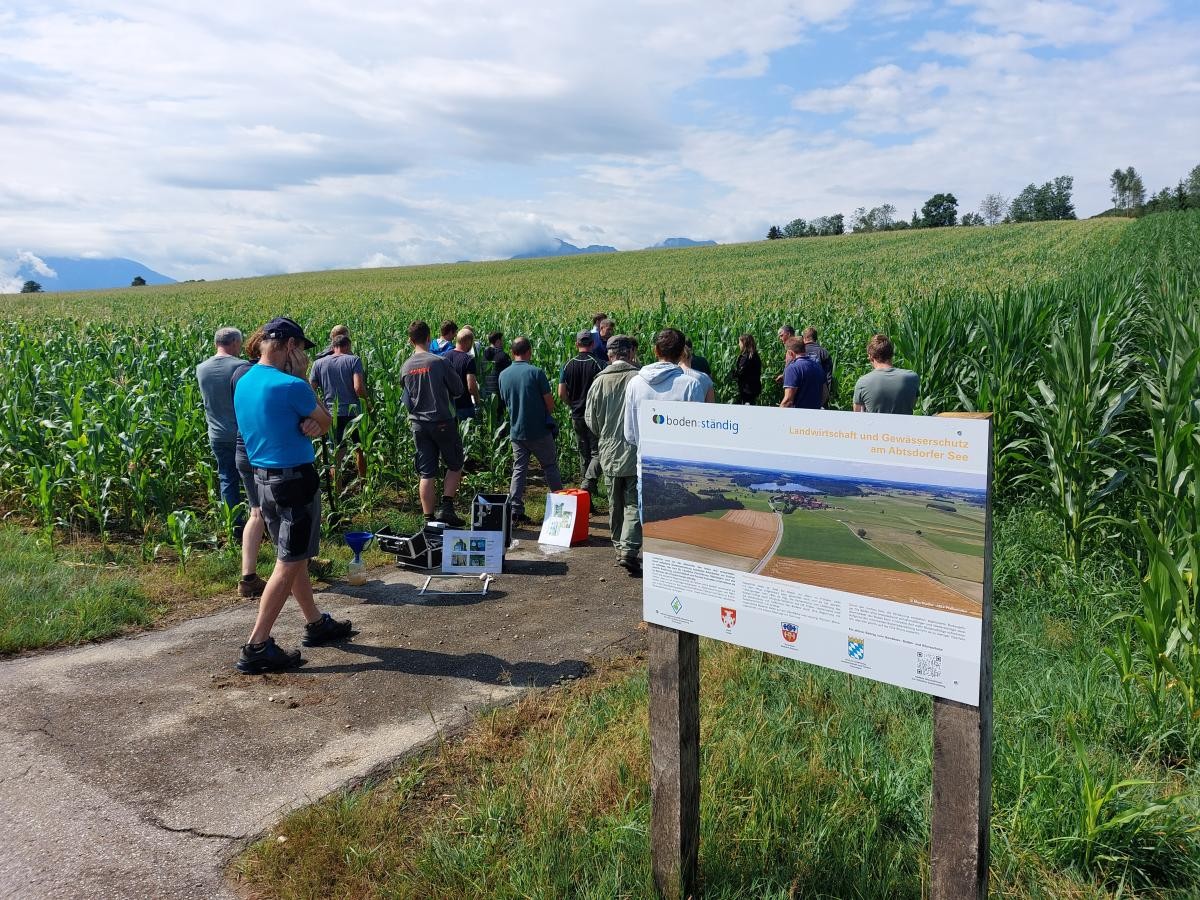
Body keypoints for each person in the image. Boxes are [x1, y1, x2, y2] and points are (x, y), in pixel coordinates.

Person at [232, 316, 352, 673]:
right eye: (299, 349)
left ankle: (315, 623)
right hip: (294, 481)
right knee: (286, 564)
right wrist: (303, 385)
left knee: (293, 554)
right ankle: (257, 645)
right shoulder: (291, 385)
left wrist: (309, 424)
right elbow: (326, 421)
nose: (301, 356)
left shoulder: (245, 379)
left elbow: (302, 422)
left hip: (262, 481)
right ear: (288, 346)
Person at [584, 336, 643, 577]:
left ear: (609, 355)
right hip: (633, 449)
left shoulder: (599, 382)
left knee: (613, 501)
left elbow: (591, 420)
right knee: (632, 500)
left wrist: (606, 433)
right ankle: (628, 549)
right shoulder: (638, 379)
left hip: (608, 450)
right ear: (630, 353)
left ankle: (620, 546)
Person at [400, 321, 466, 525]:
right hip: (442, 421)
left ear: (411, 341)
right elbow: (458, 389)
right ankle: (447, 508)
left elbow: (406, 400)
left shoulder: (405, 367)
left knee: (426, 472)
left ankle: (428, 520)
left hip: (418, 425)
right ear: (429, 338)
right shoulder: (439, 362)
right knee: (455, 464)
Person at [499, 336, 563, 525]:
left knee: (519, 469)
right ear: (529, 351)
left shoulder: (503, 375)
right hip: (539, 431)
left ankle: (516, 510)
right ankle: (561, 505)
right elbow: (550, 404)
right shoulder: (536, 372)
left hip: (516, 431)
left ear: (512, 352)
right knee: (550, 466)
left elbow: (505, 401)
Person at [196, 327, 248, 528]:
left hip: (216, 434)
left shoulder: (201, 368)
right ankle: (259, 523)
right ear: (235, 342)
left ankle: (234, 526)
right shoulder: (242, 367)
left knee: (227, 478)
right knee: (253, 479)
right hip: (241, 433)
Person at [231, 330, 268, 599]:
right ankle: (294, 567)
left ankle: (248, 577)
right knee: (283, 514)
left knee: (256, 512)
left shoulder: (238, 375)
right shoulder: (266, 377)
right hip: (266, 453)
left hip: (242, 448)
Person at [623, 328, 707, 446]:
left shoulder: (635, 383)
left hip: (645, 460)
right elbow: (697, 433)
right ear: (682, 353)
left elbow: (629, 434)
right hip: (680, 459)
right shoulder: (691, 385)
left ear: (656, 351)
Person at [309, 331, 367, 483]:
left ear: (333, 346)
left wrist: (320, 409)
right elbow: (358, 387)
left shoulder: (318, 363)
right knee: (360, 449)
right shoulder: (354, 360)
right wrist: (367, 403)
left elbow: (310, 390)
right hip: (354, 413)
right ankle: (364, 485)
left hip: (331, 414)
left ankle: (337, 492)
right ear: (347, 345)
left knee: (336, 453)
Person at [559, 331, 605, 497]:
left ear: (577, 344)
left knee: (584, 455)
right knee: (598, 453)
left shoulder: (567, 365)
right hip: (595, 416)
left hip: (577, 414)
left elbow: (561, 393)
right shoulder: (600, 364)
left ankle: (587, 497)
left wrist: (572, 404)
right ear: (592, 344)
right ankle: (587, 484)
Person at [853, 334, 920, 415]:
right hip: (904, 427)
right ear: (891, 354)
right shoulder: (912, 378)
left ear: (870, 357)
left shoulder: (862, 382)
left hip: (874, 427)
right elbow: (912, 404)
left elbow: (857, 416)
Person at [444, 327, 482, 421]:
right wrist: (477, 401)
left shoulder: (445, 357)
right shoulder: (468, 360)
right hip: (464, 406)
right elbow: (471, 387)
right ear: (468, 342)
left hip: (448, 406)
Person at [781, 338, 825, 410]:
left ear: (790, 353)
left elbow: (788, 401)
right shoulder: (818, 366)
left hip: (799, 415)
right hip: (815, 414)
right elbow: (824, 394)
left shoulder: (793, 368)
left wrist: (778, 416)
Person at [801, 327, 833, 406]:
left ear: (804, 338)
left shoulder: (799, 351)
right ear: (816, 338)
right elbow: (828, 377)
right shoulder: (824, 352)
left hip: (801, 396)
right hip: (819, 395)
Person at [483, 330, 511, 415]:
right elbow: (509, 376)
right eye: (502, 340)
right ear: (498, 341)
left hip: (485, 394)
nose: (503, 343)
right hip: (498, 395)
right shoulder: (503, 356)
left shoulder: (481, 354)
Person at [731, 333, 762, 404]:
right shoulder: (755, 355)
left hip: (746, 390)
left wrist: (732, 374)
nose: (739, 344)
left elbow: (741, 373)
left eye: (739, 342)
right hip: (755, 388)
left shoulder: (745, 357)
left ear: (744, 343)